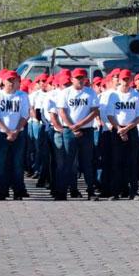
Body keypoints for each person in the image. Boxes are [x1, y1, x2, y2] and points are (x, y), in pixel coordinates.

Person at [56, 68, 100, 200]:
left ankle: (90, 192)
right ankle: (62, 192)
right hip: (69, 130)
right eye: (77, 78)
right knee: (68, 162)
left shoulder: (90, 92)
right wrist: (72, 127)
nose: (80, 80)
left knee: (87, 162)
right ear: (72, 79)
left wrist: (79, 125)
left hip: (86, 130)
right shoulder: (65, 93)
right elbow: (62, 111)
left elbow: (94, 112)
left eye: (82, 78)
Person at [0, 70, 29, 200]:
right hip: (1, 134)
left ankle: (18, 191)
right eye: (9, 80)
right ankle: (2, 191)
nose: (11, 83)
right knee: (1, 163)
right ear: (3, 82)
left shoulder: (23, 96)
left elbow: (25, 115)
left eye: (14, 80)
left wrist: (16, 130)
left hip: (18, 134)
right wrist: (7, 131)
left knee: (17, 163)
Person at [105, 69, 139, 200]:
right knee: (116, 162)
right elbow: (110, 115)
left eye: (128, 79)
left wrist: (126, 128)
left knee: (132, 162)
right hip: (117, 130)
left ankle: (134, 192)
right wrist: (119, 129)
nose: (126, 82)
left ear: (131, 80)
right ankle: (116, 192)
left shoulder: (136, 95)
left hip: (131, 129)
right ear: (119, 80)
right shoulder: (113, 95)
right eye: (124, 79)